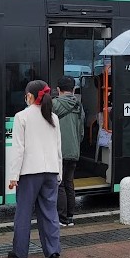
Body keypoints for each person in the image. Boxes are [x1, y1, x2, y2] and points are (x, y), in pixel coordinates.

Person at [7, 80, 62, 258]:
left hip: (29, 172)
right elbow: (58, 148)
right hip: (51, 172)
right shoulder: (53, 118)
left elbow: (18, 150)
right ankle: (53, 251)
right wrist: (59, 172)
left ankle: (20, 252)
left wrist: (14, 176)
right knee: (49, 212)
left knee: (23, 213)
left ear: (29, 96)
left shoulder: (21, 117)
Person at [52, 76, 84, 227]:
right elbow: (81, 132)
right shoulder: (79, 105)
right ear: (73, 89)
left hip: (59, 151)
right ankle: (70, 217)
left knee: (60, 184)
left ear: (58, 90)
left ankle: (62, 218)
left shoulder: (54, 104)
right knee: (69, 182)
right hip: (74, 151)